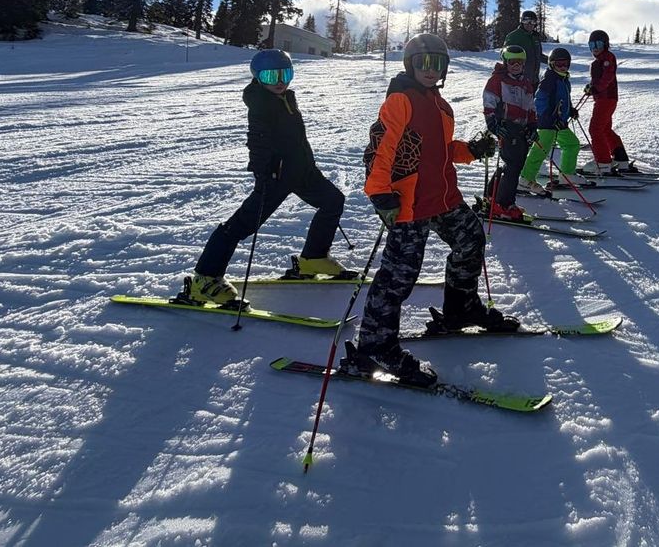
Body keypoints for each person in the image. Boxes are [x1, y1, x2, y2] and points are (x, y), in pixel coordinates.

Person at [342, 33, 517, 388]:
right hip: (409, 203)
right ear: (410, 65)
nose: (429, 69)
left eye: (436, 63)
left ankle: (460, 309)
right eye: (422, 62)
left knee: (471, 241)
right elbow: (381, 149)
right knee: (398, 276)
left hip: (444, 198)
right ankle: (374, 347)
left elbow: (440, 150)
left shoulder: (441, 106)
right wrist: (380, 194)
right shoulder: (400, 100)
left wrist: (471, 150)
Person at [188, 49, 350, 305]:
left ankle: (313, 259)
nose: (279, 80)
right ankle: (204, 278)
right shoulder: (261, 103)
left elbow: (297, 140)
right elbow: (257, 140)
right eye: (270, 75)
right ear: (258, 77)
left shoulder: (286, 98)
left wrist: (308, 162)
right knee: (241, 226)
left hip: (302, 171)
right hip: (276, 176)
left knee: (333, 200)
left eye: (285, 73)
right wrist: (263, 171)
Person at [481, 44, 537, 221]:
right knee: (513, 165)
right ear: (505, 62)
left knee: (514, 164)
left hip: (521, 129)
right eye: (512, 62)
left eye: (519, 63)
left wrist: (532, 125)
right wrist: (492, 124)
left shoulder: (526, 83)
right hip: (506, 127)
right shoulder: (497, 80)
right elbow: (489, 102)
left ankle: (492, 196)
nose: (516, 66)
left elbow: (531, 107)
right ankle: (503, 204)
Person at [519, 47, 582, 193]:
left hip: (559, 123)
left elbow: (563, 99)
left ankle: (567, 174)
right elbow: (539, 101)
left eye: (565, 64)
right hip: (548, 123)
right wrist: (550, 117)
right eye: (558, 64)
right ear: (551, 64)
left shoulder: (564, 79)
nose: (562, 67)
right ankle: (525, 179)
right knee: (541, 150)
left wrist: (571, 110)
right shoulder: (549, 80)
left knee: (572, 144)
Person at [580, 29, 635, 176]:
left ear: (605, 44)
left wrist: (596, 88)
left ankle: (603, 162)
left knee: (595, 129)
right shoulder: (596, 62)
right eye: (591, 45)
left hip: (606, 99)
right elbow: (597, 81)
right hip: (603, 99)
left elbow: (607, 77)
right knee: (604, 129)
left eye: (598, 44)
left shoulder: (608, 58)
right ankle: (620, 158)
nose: (595, 48)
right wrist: (590, 87)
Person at [503, 10, 547, 87]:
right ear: (522, 22)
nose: (529, 24)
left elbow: (539, 56)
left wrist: (552, 61)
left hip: (534, 81)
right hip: (518, 81)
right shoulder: (514, 36)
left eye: (532, 22)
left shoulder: (535, 37)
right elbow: (504, 56)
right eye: (526, 21)